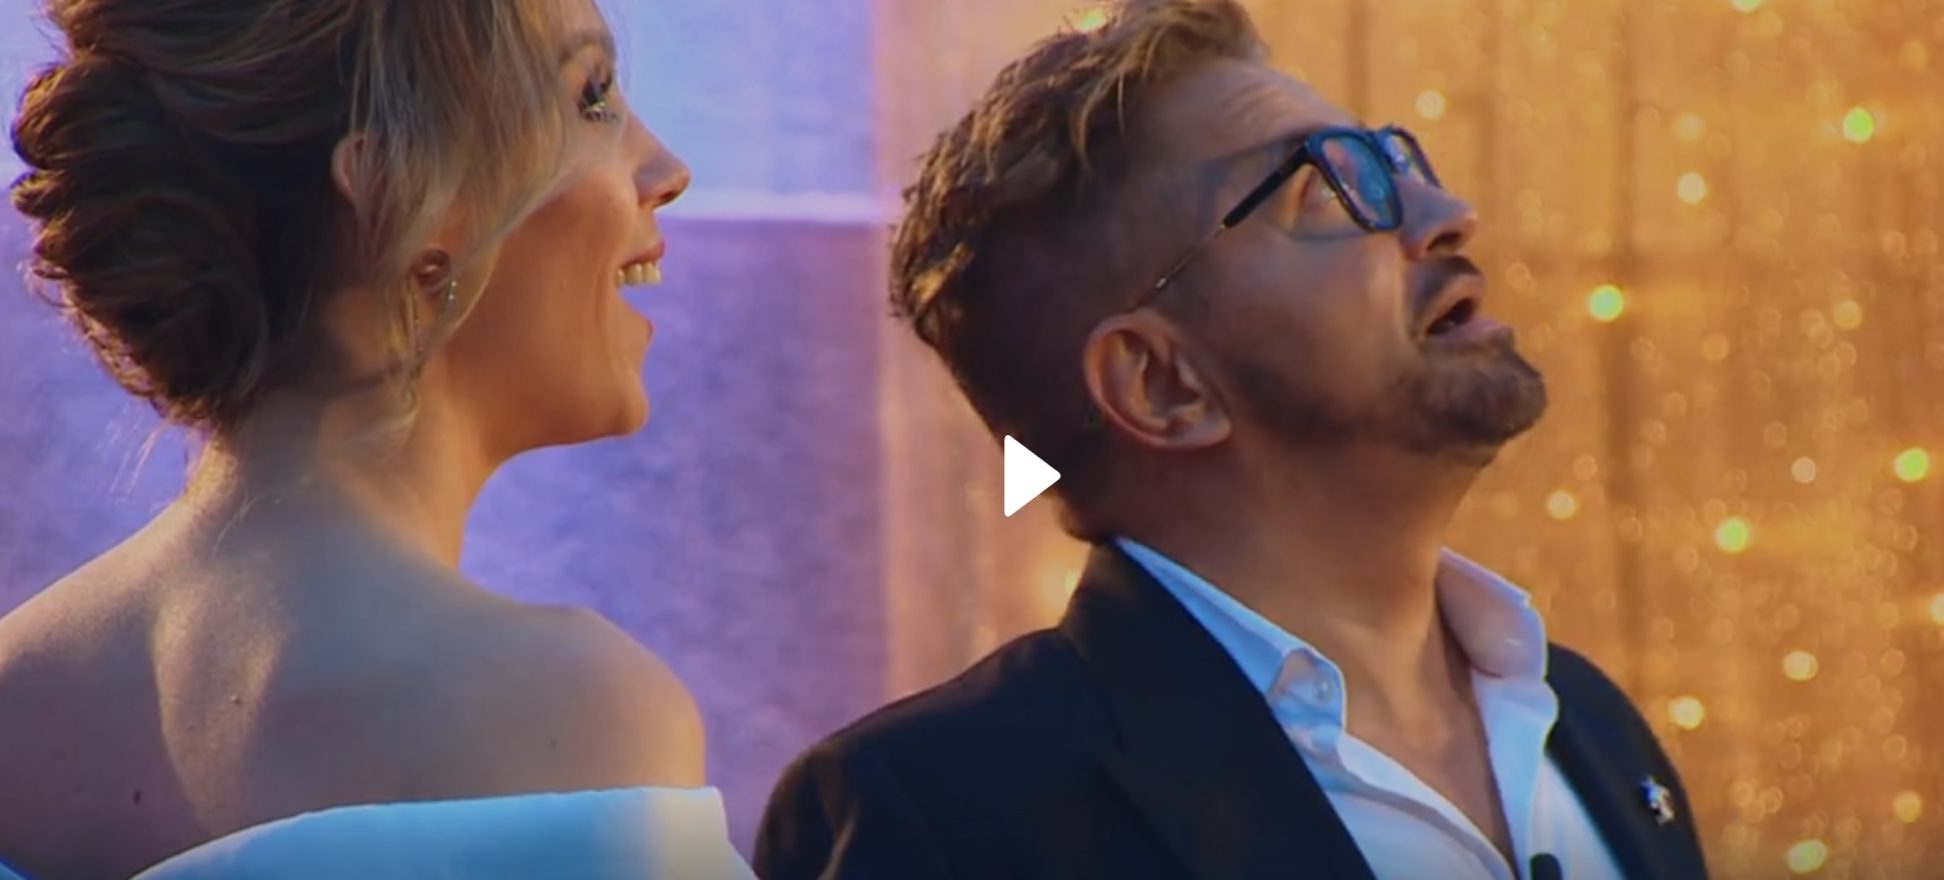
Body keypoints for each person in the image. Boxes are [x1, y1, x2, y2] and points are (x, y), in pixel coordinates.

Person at [754, 1, 1710, 878]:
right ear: (1162, 384)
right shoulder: (944, 819)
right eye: (1326, 187)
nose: (1448, 216)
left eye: (1392, 162)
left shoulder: (1587, 726)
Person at [0, 0, 750, 877]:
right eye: (594, 98)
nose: (667, 168)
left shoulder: (19, 697)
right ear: (412, 202)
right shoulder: (570, 714)